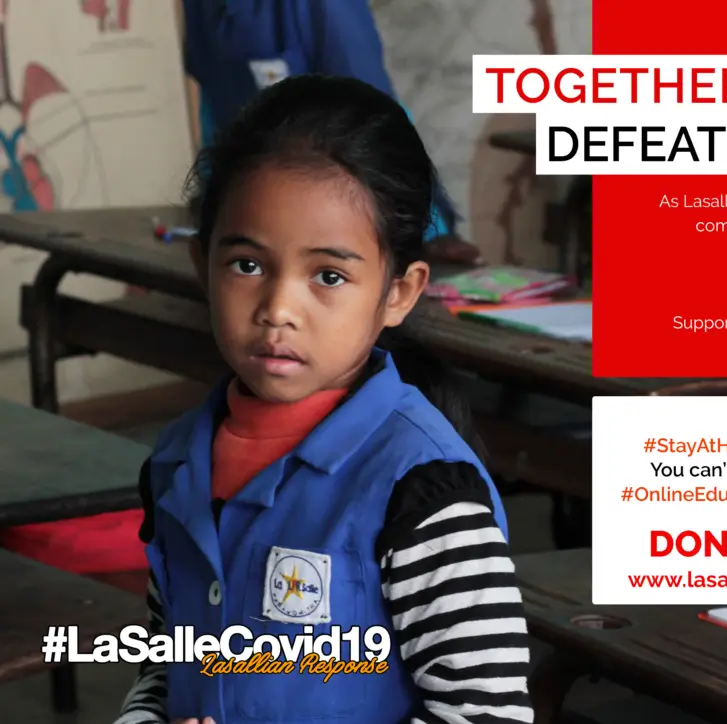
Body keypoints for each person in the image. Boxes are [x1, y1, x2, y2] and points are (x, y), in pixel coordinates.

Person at [113, 75, 532, 724]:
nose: (278, 309)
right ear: (203, 265)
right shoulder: (176, 465)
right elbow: (167, 670)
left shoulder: (425, 492)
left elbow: (488, 715)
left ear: (398, 291)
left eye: (329, 276)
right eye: (247, 265)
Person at [180, 0, 482, 265]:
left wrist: (428, 230)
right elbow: (214, 104)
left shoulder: (328, 7)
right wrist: (213, 201)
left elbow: (377, 115)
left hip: (341, 211)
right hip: (260, 212)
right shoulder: (202, 6)